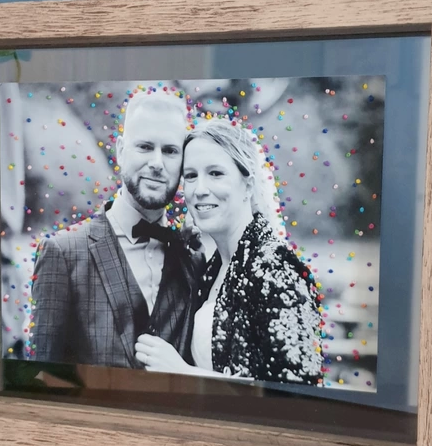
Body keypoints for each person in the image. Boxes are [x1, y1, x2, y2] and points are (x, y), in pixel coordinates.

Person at [135, 118, 324, 385]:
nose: (200, 190)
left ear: (248, 184)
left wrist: (184, 373)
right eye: (191, 176)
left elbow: (297, 393)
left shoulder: (276, 268)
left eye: (215, 173)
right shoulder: (213, 267)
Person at [31, 89, 202, 367]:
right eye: (145, 147)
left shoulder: (193, 259)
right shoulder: (62, 253)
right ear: (121, 150)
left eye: (170, 151)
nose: (157, 163)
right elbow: (40, 379)